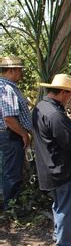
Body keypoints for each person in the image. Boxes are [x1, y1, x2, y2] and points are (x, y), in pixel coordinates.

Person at [32, 74, 71, 246]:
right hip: (64, 169)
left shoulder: (42, 106)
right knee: (68, 208)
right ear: (63, 92)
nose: (70, 98)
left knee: (60, 205)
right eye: (70, 94)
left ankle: (60, 237)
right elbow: (69, 142)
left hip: (52, 166)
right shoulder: (55, 114)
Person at [0, 56, 32, 210]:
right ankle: (11, 206)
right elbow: (9, 118)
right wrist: (24, 134)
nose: (21, 74)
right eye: (19, 71)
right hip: (11, 135)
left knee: (9, 169)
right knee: (12, 171)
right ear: (11, 70)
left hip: (9, 134)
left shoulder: (8, 86)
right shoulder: (7, 88)